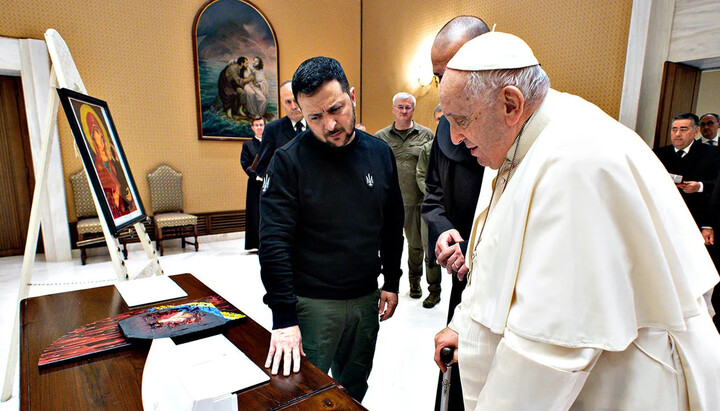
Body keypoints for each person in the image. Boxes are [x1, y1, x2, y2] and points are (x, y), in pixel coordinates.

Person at [433, 32, 720, 409]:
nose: (454, 137)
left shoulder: (575, 161)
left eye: (461, 120)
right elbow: (490, 252)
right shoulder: (518, 138)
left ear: (509, 103)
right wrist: (463, 325)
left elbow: (550, 351)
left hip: (626, 383)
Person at [259, 56, 404, 402]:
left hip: (366, 299)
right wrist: (283, 318)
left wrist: (393, 281)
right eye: (315, 117)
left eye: (336, 109)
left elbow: (393, 221)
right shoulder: (288, 161)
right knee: (304, 394)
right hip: (313, 304)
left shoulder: (380, 153)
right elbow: (273, 242)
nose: (329, 125)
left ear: (352, 96)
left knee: (353, 389)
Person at [423, 15, 490, 411]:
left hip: (502, 284)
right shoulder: (445, 132)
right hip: (462, 276)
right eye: (436, 76)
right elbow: (432, 197)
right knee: (456, 372)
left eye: (450, 73)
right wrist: (445, 233)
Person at [375, 92, 437, 305]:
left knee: (416, 246)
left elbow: (434, 168)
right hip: (389, 203)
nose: (404, 111)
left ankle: (415, 282)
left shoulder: (427, 135)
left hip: (417, 201)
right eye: (400, 107)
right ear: (393, 109)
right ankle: (385, 284)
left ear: (413, 109)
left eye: (408, 107)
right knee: (384, 243)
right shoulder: (380, 137)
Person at [654, 113, 720, 232]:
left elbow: (717, 185)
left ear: (696, 131)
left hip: (694, 218)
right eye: (674, 130)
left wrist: (700, 186)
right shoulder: (658, 154)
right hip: (662, 217)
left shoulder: (712, 153)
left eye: (684, 129)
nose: (678, 134)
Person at [254, 80, 306, 180]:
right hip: (286, 191)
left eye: (296, 100)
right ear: (282, 103)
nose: (293, 106)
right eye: (288, 102)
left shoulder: (316, 125)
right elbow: (262, 168)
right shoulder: (272, 130)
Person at [240, 116, 265, 251]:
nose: (259, 127)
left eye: (261, 125)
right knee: (255, 213)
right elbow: (245, 164)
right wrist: (256, 175)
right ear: (252, 128)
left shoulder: (269, 143)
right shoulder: (247, 145)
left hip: (269, 181)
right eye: (256, 125)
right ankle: (256, 244)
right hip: (255, 184)